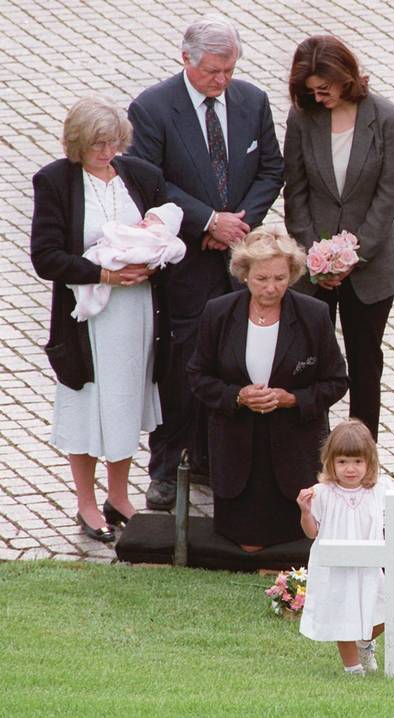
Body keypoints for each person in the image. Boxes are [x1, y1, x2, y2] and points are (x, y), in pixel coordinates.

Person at [128, 14, 284, 510]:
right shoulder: (152, 109)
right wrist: (206, 221)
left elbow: (270, 167)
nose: (222, 80)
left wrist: (238, 223)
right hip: (187, 263)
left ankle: (219, 463)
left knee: (236, 357)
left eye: (229, 70)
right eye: (213, 71)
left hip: (238, 258)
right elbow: (148, 181)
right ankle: (168, 466)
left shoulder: (252, 101)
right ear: (186, 59)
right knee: (183, 362)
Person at [30, 96, 171, 542]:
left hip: (137, 312)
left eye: (112, 143)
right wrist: (104, 272)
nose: (106, 153)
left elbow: (165, 229)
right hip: (86, 318)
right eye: (97, 145)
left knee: (127, 400)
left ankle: (119, 494)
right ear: (77, 144)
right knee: (89, 403)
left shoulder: (141, 176)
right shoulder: (55, 182)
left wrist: (153, 260)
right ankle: (87, 503)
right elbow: (46, 257)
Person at [186, 226, 347, 551]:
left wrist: (293, 399)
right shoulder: (218, 313)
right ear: (244, 274)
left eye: (280, 278)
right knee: (246, 544)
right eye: (262, 279)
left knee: (295, 542)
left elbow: (336, 380)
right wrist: (237, 395)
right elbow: (198, 376)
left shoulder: (313, 315)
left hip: (293, 447)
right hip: (236, 444)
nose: (271, 288)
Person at [284, 35, 394, 440]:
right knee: (308, 361)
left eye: (324, 89)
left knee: (365, 362)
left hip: (369, 272)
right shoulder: (302, 120)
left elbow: (387, 196)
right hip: (313, 270)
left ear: (345, 77)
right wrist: (314, 254)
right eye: (310, 92)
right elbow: (296, 192)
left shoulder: (389, 119)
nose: (319, 99)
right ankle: (309, 446)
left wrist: (352, 256)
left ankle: (360, 451)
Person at [298, 419, 394, 675]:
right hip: (336, 568)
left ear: (370, 462)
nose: (350, 469)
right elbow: (312, 532)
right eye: (342, 461)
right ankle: (353, 669)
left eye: (357, 461)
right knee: (342, 614)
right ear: (330, 462)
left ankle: (365, 642)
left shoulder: (380, 489)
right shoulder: (322, 493)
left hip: (368, 565)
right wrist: (305, 512)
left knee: (387, 610)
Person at [72, 203, 185, 321]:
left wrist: (151, 265)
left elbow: (169, 254)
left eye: (152, 219)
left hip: (136, 298)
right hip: (101, 265)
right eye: (146, 217)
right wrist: (105, 275)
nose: (146, 220)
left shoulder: (160, 237)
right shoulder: (137, 228)